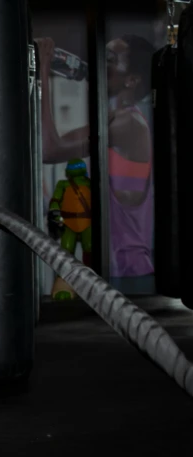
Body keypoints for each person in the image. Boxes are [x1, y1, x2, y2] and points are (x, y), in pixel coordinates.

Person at [36, 35, 155, 286]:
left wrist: (44, 72)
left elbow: (51, 149)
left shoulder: (129, 124)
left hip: (130, 274)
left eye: (111, 60)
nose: (101, 64)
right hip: (112, 271)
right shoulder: (112, 119)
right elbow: (45, 148)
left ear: (131, 80)